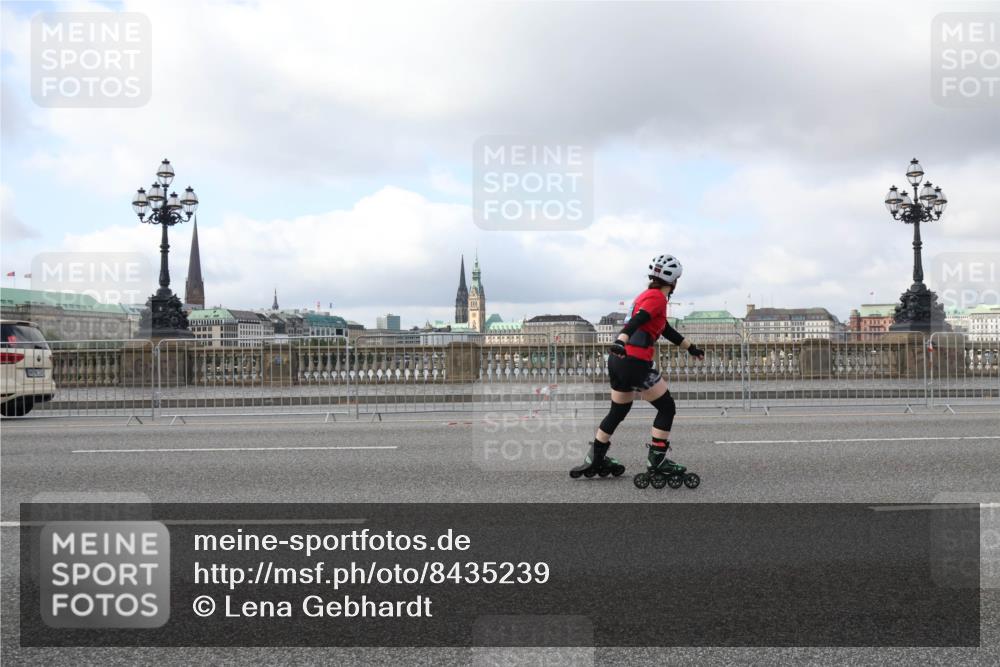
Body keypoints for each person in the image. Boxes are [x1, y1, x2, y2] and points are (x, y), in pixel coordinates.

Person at [570, 254, 704, 483]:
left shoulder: (644, 296)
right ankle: (657, 460)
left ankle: (596, 457)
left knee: (618, 411)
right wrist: (621, 339)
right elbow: (638, 320)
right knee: (667, 408)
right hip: (635, 361)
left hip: (618, 361)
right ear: (674, 282)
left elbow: (665, 329)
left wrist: (690, 348)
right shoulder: (658, 298)